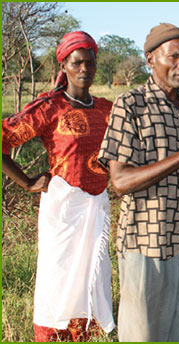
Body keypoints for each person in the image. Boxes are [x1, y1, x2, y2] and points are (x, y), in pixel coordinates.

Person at [97, 23, 179, 342]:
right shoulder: (130, 105)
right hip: (146, 242)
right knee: (144, 332)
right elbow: (121, 180)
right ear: (150, 60)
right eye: (174, 56)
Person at [2, 31, 115, 342]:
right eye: (77, 63)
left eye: (90, 63)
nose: (84, 70)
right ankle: (52, 336)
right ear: (63, 65)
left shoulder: (107, 110)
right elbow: (3, 139)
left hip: (96, 207)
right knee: (59, 277)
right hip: (64, 210)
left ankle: (85, 335)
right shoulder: (48, 108)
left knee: (90, 278)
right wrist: (26, 182)